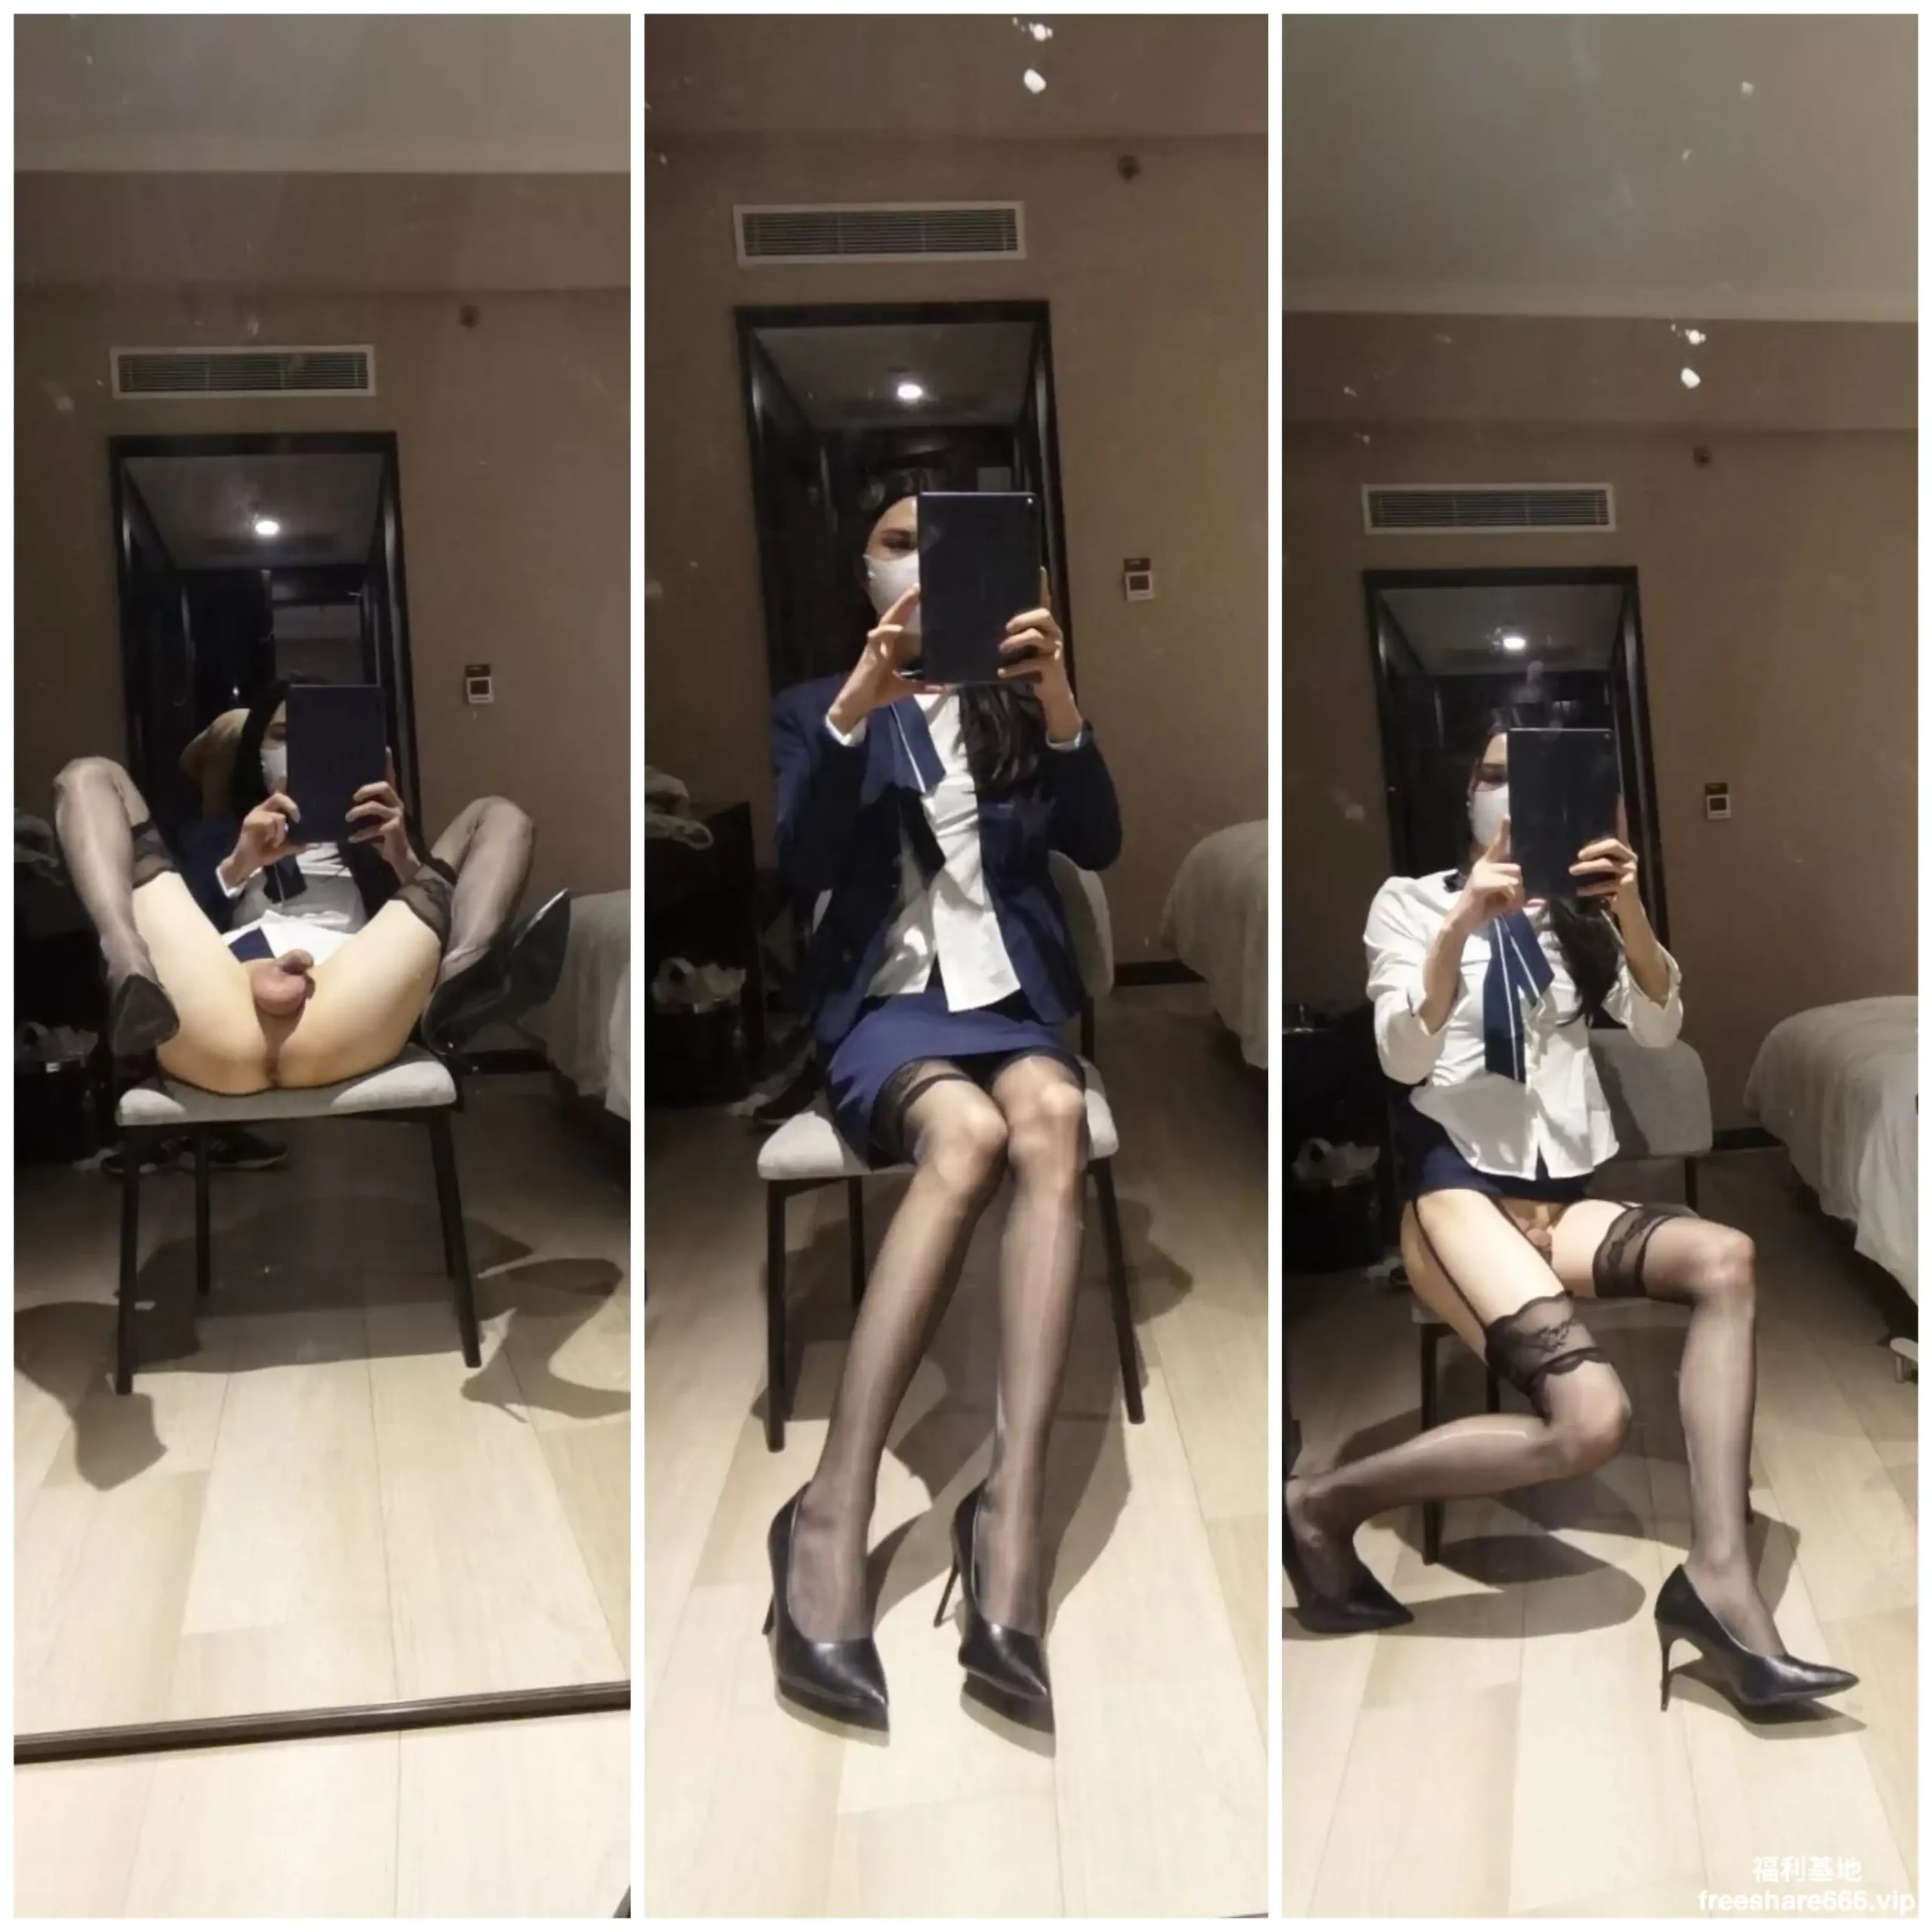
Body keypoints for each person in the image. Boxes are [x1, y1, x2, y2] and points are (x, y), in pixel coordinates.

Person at [1283, 713, 1858, 1720]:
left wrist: (1626, 907)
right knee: (1594, 1423)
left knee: (1727, 1257)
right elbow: (1400, 1057)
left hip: (1560, 1203)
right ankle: (1320, 1504)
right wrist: (1464, 925)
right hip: (1456, 1197)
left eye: (1536, 777)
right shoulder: (1410, 903)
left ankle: (1720, 1578)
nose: (1510, 794)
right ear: (1468, 792)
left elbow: (1662, 1026)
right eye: (1494, 774)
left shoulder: (1580, 922)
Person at [764, 485, 1121, 1729]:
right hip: (886, 1006)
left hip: (1009, 1001)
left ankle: (1010, 1516)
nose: (918, 563)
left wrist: (1060, 700)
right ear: (860, 568)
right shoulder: (815, 705)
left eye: (944, 545)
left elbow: (1101, 841)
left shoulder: (1017, 701)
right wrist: (858, 707)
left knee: (1052, 1123)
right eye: (896, 542)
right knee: (965, 1137)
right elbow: (804, 863)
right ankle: (831, 1509)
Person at [54, 680, 569, 1096]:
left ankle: (462, 983)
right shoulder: (217, 835)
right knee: (87, 775)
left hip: (352, 995)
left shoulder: (379, 842)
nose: (297, 752)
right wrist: (237, 865)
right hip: (214, 1002)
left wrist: (401, 857)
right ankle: (125, 960)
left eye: (313, 739)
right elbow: (185, 930)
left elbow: (423, 932)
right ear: (255, 753)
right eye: (280, 736)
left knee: (499, 815)